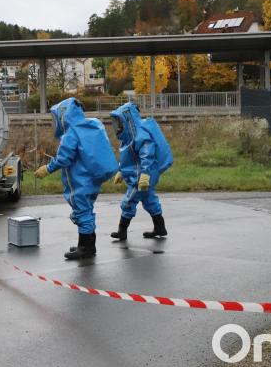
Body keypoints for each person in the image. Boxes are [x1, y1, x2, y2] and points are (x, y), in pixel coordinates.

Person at [35, 97, 118, 260]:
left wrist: (48, 168)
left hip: (80, 181)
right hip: (92, 178)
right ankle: (88, 245)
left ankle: (85, 248)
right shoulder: (90, 125)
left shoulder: (71, 133)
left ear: (64, 116)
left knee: (82, 212)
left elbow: (64, 158)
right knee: (86, 211)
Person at [109, 101, 173, 241]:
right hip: (139, 175)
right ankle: (160, 228)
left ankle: (122, 231)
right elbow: (128, 158)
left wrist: (145, 174)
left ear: (128, 119)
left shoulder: (140, 135)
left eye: (119, 121)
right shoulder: (129, 137)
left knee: (128, 201)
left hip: (140, 177)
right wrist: (121, 171)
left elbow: (147, 156)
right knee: (150, 200)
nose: (117, 126)